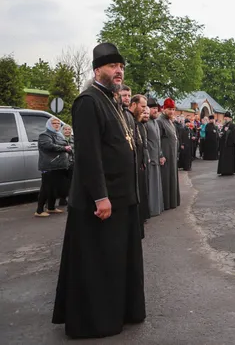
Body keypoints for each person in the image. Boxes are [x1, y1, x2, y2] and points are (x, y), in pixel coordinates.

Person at [53, 42, 145, 338]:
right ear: (97, 70)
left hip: (123, 198)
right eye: (112, 66)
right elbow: (89, 155)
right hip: (101, 203)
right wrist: (101, 196)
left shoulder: (113, 101)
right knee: (101, 265)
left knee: (120, 262)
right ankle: (98, 321)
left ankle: (123, 311)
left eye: (121, 66)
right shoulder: (88, 102)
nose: (118, 71)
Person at [34, 117, 71, 217]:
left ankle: (51, 207)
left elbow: (67, 146)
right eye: (54, 123)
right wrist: (64, 148)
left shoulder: (59, 135)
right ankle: (39, 210)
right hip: (49, 166)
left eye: (58, 123)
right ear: (49, 124)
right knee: (46, 188)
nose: (57, 125)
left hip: (59, 166)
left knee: (54, 188)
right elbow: (49, 146)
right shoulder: (44, 135)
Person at [129, 95, 150, 228]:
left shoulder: (139, 122)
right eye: (142, 107)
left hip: (140, 161)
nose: (144, 110)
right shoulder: (130, 119)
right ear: (134, 104)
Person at [157, 98, 180, 209]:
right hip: (165, 155)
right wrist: (160, 154)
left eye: (173, 109)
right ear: (164, 109)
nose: (171, 111)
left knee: (172, 177)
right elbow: (157, 140)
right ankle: (166, 203)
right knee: (166, 178)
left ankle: (173, 201)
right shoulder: (160, 121)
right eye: (169, 109)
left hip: (172, 154)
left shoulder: (170, 121)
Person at [145, 97, 164, 217]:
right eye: (152, 108)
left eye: (156, 109)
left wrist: (161, 155)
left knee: (156, 185)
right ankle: (151, 209)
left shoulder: (156, 123)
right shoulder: (145, 123)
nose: (155, 111)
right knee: (151, 186)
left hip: (157, 157)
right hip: (150, 159)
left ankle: (158, 208)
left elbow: (158, 141)